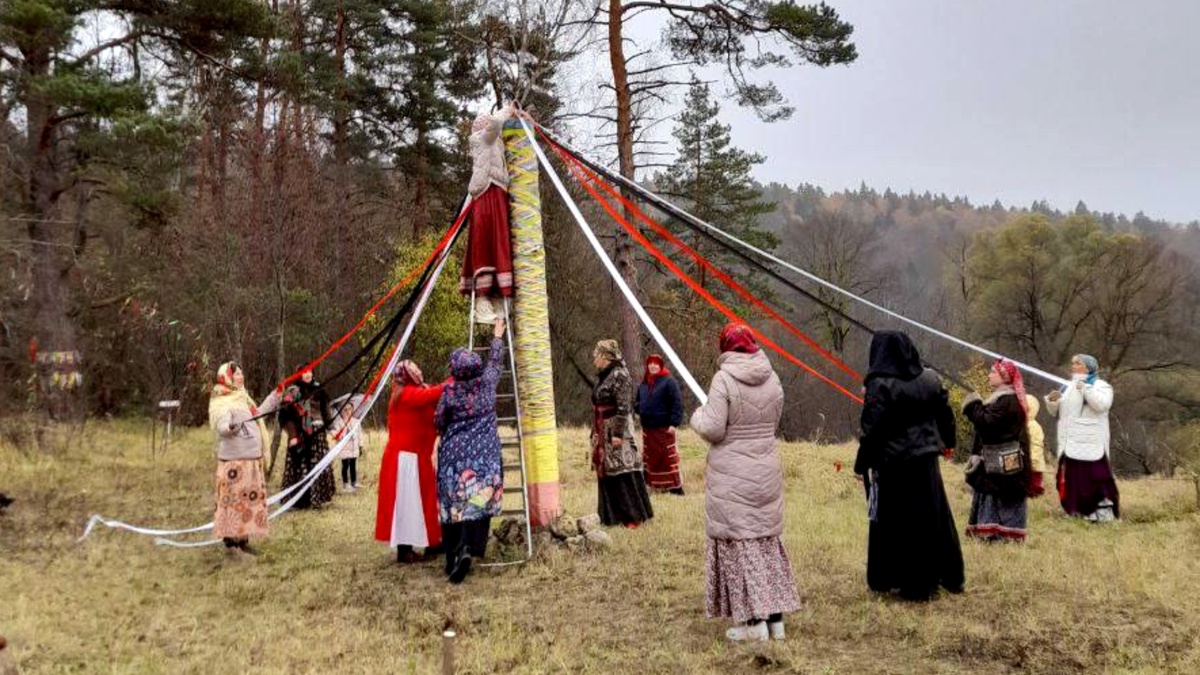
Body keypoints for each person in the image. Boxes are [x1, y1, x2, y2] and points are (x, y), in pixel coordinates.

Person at [691, 323, 800, 642]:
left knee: (740, 546)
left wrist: (697, 416)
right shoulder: (772, 377)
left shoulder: (723, 379)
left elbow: (713, 428)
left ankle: (753, 624)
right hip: (766, 468)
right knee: (765, 543)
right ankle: (775, 621)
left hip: (733, 474)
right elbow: (773, 420)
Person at [854, 331, 964, 600]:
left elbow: (872, 430)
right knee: (932, 517)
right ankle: (945, 575)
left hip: (894, 463)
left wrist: (862, 463)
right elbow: (945, 414)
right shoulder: (930, 378)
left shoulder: (879, 384)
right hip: (926, 459)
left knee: (898, 522)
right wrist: (948, 442)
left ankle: (902, 579)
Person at [436, 318, 507, 583]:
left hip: (454, 458)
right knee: (477, 503)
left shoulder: (449, 392)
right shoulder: (487, 384)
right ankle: (468, 548)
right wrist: (497, 335)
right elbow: (496, 362)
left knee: (454, 503)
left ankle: (451, 555)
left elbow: (439, 420)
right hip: (484, 457)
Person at [375, 361, 447, 563]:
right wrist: (455, 380)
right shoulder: (406, 394)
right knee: (407, 505)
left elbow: (430, 395)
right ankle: (405, 550)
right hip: (405, 459)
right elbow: (432, 395)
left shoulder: (411, 392)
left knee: (424, 502)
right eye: (414, 370)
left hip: (416, 456)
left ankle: (432, 542)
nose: (419, 371)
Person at [208, 362, 280, 560]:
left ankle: (243, 541)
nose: (242, 376)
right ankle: (231, 545)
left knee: (247, 503)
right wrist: (231, 426)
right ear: (227, 378)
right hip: (235, 463)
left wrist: (276, 396)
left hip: (250, 460)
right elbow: (222, 426)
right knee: (234, 503)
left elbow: (259, 414)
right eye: (237, 374)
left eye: (241, 373)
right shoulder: (223, 400)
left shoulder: (243, 398)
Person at [963, 360, 1033, 542]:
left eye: (993, 372)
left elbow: (986, 424)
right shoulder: (1002, 399)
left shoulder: (1007, 401)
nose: (989, 375)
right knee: (996, 493)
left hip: (1002, 463)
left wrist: (973, 405)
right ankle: (993, 533)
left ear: (1004, 377)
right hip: (998, 460)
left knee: (1000, 493)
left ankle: (999, 534)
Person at [460, 106, 518, 324]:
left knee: (499, 244)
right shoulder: (482, 139)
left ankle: (496, 298)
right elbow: (495, 125)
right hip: (487, 195)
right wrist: (508, 110)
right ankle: (482, 301)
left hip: (497, 193)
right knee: (486, 243)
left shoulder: (493, 142)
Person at [1046, 354, 1119, 521]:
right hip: (1070, 441)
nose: (1073, 366)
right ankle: (1075, 511)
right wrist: (1053, 401)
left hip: (1091, 442)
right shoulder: (1068, 386)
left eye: (1078, 363)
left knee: (1095, 478)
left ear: (1088, 367)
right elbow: (1056, 412)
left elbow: (1102, 405)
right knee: (1072, 478)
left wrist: (1086, 389)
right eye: (1073, 363)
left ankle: (1101, 515)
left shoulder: (1101, 386)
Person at [590, 339, 655, 528]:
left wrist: (617, 434)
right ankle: (611, 517)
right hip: (603, 431)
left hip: (617, 432)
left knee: (623, 471)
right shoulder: (604, 375)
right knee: (608, 473)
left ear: (605, 356)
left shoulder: (620, 374)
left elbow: (623, 407)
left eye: (596, 355)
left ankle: (632, 516)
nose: (594, 359)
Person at [279, 368, 337, 510]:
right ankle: (300, 500)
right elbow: (286, 416)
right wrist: (293, 435)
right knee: (301, 465)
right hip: (300, 435)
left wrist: (332, 429)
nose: (308, 374)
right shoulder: (292, 392)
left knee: (317, 464)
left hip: (318, 433)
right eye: (304, 372)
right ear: (299, 375)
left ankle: (317, 498)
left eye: (310, 371)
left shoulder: (319, 389)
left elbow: (326, 411)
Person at [635, 354, 685, 495]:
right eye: (650, 363)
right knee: (651, 459)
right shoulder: (644, 384)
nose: (653, 366)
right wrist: (640, 409)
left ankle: (675, 488)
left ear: (661, 365)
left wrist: (674, 424)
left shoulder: (669, 382)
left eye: (656, 363)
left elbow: (677, 403)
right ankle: (654, 487)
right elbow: (637, 401)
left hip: (664, 428)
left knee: (667, 458)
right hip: (648, 429)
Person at [331, 398, 362, 493]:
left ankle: (354, 482)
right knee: (345, 465)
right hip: (344, 448)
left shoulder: (356, 422)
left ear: (352, 410)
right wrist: (340, 435)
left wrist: (361, 445)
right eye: (345, 410)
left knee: (353, 465)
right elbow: (335, 433)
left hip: (353, 447)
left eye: (349, 409)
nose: (348, 411)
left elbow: (360, 434)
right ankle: (345, 484)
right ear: (342, 411)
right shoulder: (339, 423)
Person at [1025, 394, 1047, 498]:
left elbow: (1036, 445)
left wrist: (1033, 460)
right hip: (1026, 461)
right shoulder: (1022, 424)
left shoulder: (1033, 426)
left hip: (1033, 462)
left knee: (1033, 484)